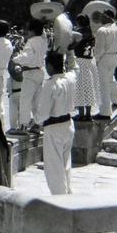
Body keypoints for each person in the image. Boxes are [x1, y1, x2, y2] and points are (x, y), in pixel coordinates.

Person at [37, 52, 76, 194]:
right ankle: (68, 192)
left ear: (50, 66)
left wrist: (36, 120)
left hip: (54, 127)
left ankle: (60, 199)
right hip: (68, 123)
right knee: (65, 163)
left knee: (54, 167)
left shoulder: (50, 84)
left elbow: (43, 112)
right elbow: (74, 68)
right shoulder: (70, 78)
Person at [12, 19, 48, 131]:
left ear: (31, 30)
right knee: (37, 100)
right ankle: (38, 124)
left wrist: (16, 59)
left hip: (30, 72)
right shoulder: (43, 41)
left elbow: (27, 57)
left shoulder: (31, 42)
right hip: (39, 71)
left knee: (25, 100)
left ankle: (23, 125)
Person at [93, 10, 117, 121]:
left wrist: (96, 59)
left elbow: (99, 49)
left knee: (103, 85)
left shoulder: (102, 30)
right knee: (111, 79)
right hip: (114, 56)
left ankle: (105, 112)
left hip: (105, 57)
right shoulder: (116, 29)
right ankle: (116, 100)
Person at [72, 14, 99, 121]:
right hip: (89, 62)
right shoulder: (90, 32)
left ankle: (81, 114)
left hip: (79, 62)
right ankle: (88, 114)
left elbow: (72, 45)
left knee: (79, 89)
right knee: (88, 88)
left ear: (79, 22)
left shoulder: (79, 33)